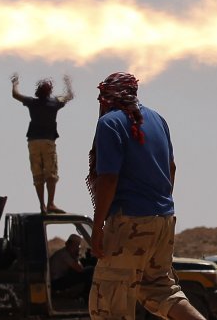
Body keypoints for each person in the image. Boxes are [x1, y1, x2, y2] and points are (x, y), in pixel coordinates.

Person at [87, 72, 205, 320]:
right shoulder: (158, 119)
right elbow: (171, 168)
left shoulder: (109, 123)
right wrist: (156, 208)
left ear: (107, 98)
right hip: (163, 220)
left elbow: (108, 179)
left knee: (108, 305)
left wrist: (98, 228)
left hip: (128, 223)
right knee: (161, 292)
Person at [11, 73, 74, 214]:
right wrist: (68, 83)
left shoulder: (33, 102)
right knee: (51, 174)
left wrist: (15, 83)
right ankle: (50, 203)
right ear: (50, 91)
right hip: (47, 142)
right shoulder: (54, 103)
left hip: (33, 142)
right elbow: (69, 96)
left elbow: (16, 95)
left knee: (38, 175)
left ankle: (42, 206)